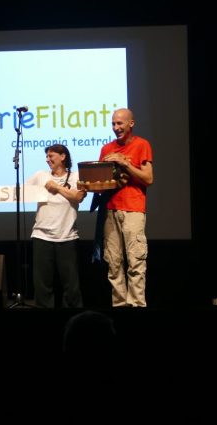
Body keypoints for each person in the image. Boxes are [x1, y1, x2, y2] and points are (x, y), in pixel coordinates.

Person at [99, 108, 153, 307]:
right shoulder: (106, 149)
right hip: (110, 209)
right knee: (113, 263)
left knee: (135, 261)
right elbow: (102, 183)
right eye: (113, 123)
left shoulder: (141, 145)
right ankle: (119, 306)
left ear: (131, 123)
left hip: (133, 209)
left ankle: (137, 305)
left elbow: (148, 178)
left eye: (120, 123)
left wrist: (125, 164)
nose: (116, 127)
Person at [26, 144, 86, 308]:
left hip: (67, 237)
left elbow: (78, 197)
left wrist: (56, 187)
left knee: (71, 286)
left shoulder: (76, 176)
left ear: (63, 156)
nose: (47, 159)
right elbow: (23, 190)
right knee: (42, 285)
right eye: (46, 156)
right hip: (42, 236)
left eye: (51, 156)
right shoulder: (41, 175)